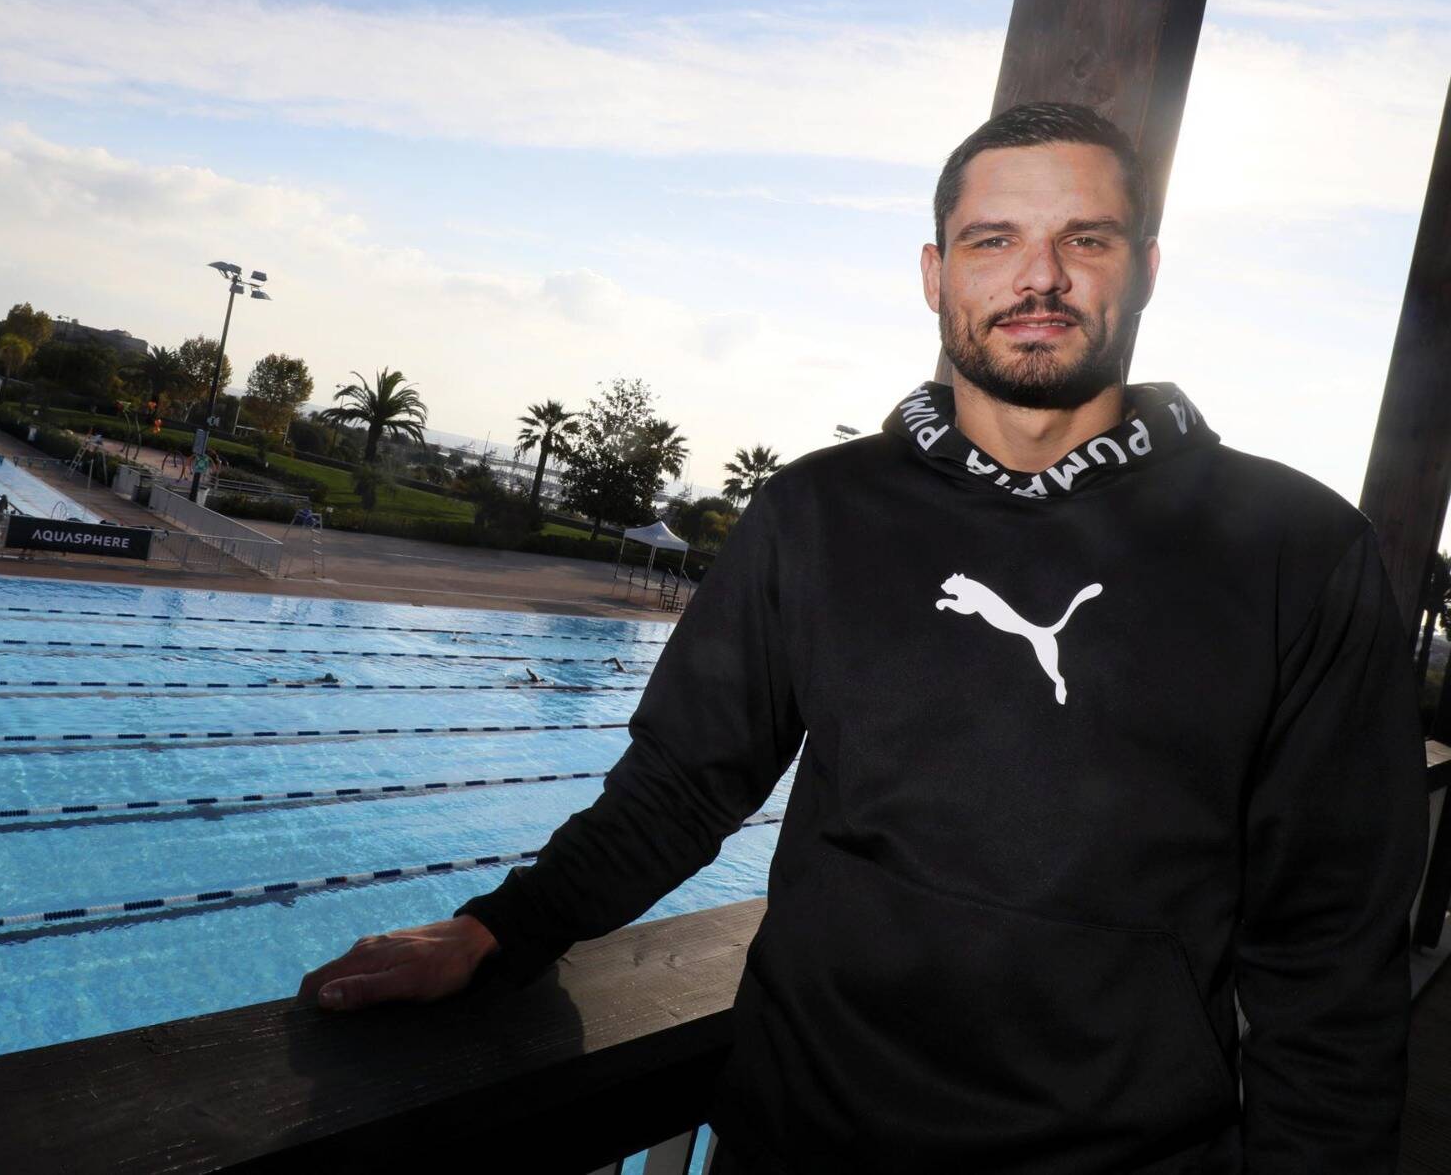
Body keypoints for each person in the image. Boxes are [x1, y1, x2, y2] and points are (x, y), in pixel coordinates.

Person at [298, 102, 1430, 1172]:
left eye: (1083, 237)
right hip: (801, 1137)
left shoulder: (1289, 549)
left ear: (1141, 266)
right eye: (993, 239)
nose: (1038, 274)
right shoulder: (817, 513)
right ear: (935, 275)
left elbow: (1328, 955)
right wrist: (501, 929)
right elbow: (685, 783)